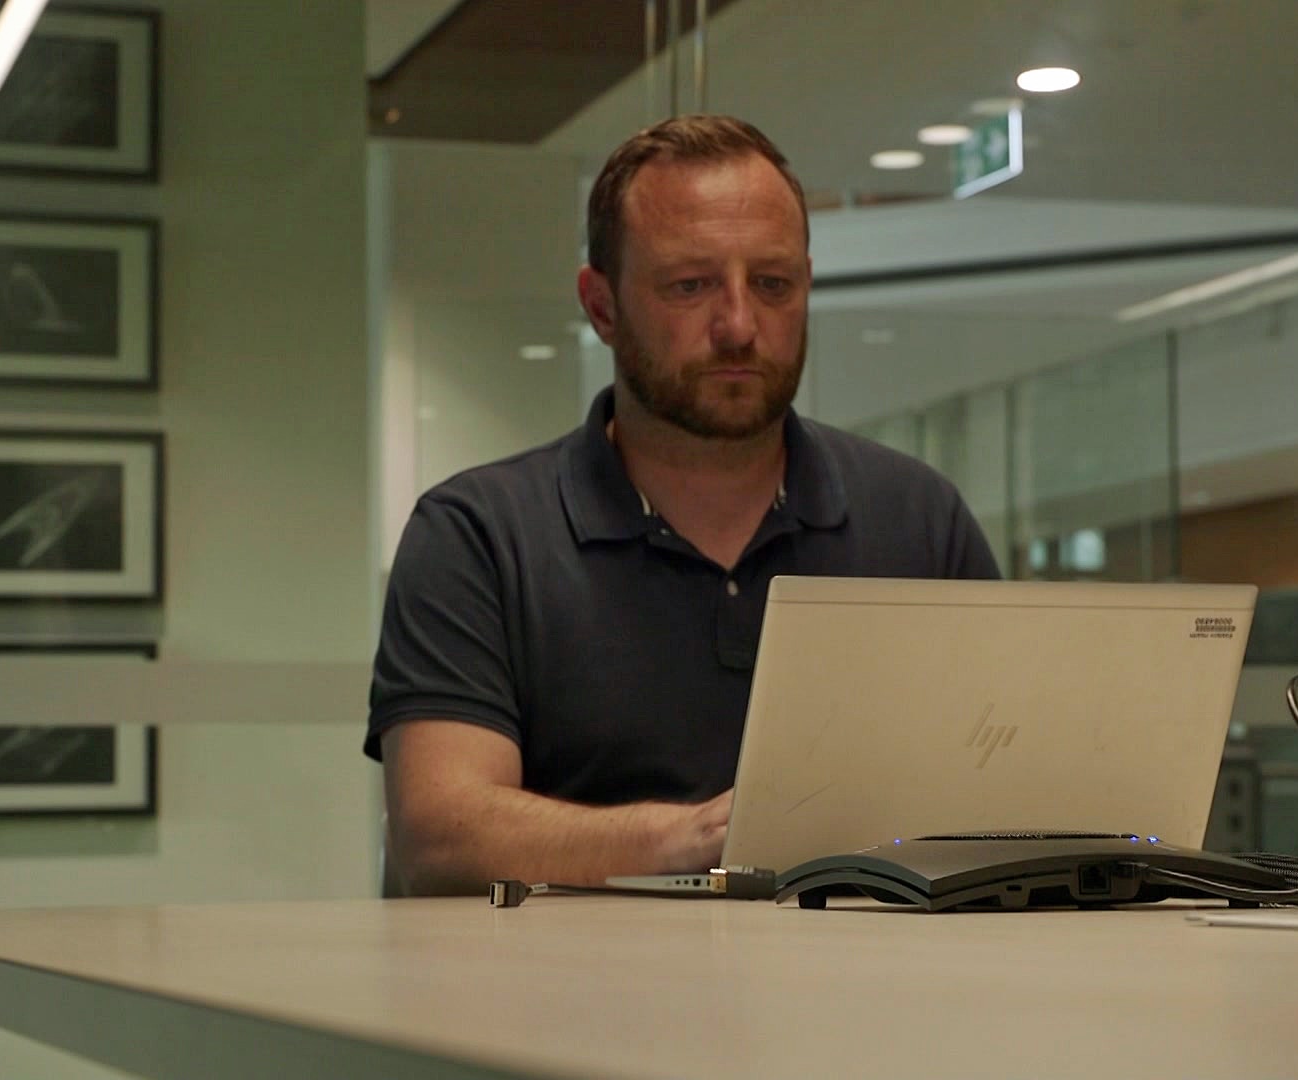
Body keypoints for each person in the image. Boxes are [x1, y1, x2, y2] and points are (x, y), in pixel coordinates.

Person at [367, 115, 1000, 896]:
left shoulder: (918, 521)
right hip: (562, 1004)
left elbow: (999, 799)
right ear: (601, 307)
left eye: (772, 285)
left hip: (855, 999)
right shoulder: (479, 536)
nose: (739, 326)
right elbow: (440, 832)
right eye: (689, 286)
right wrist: (697, 839)